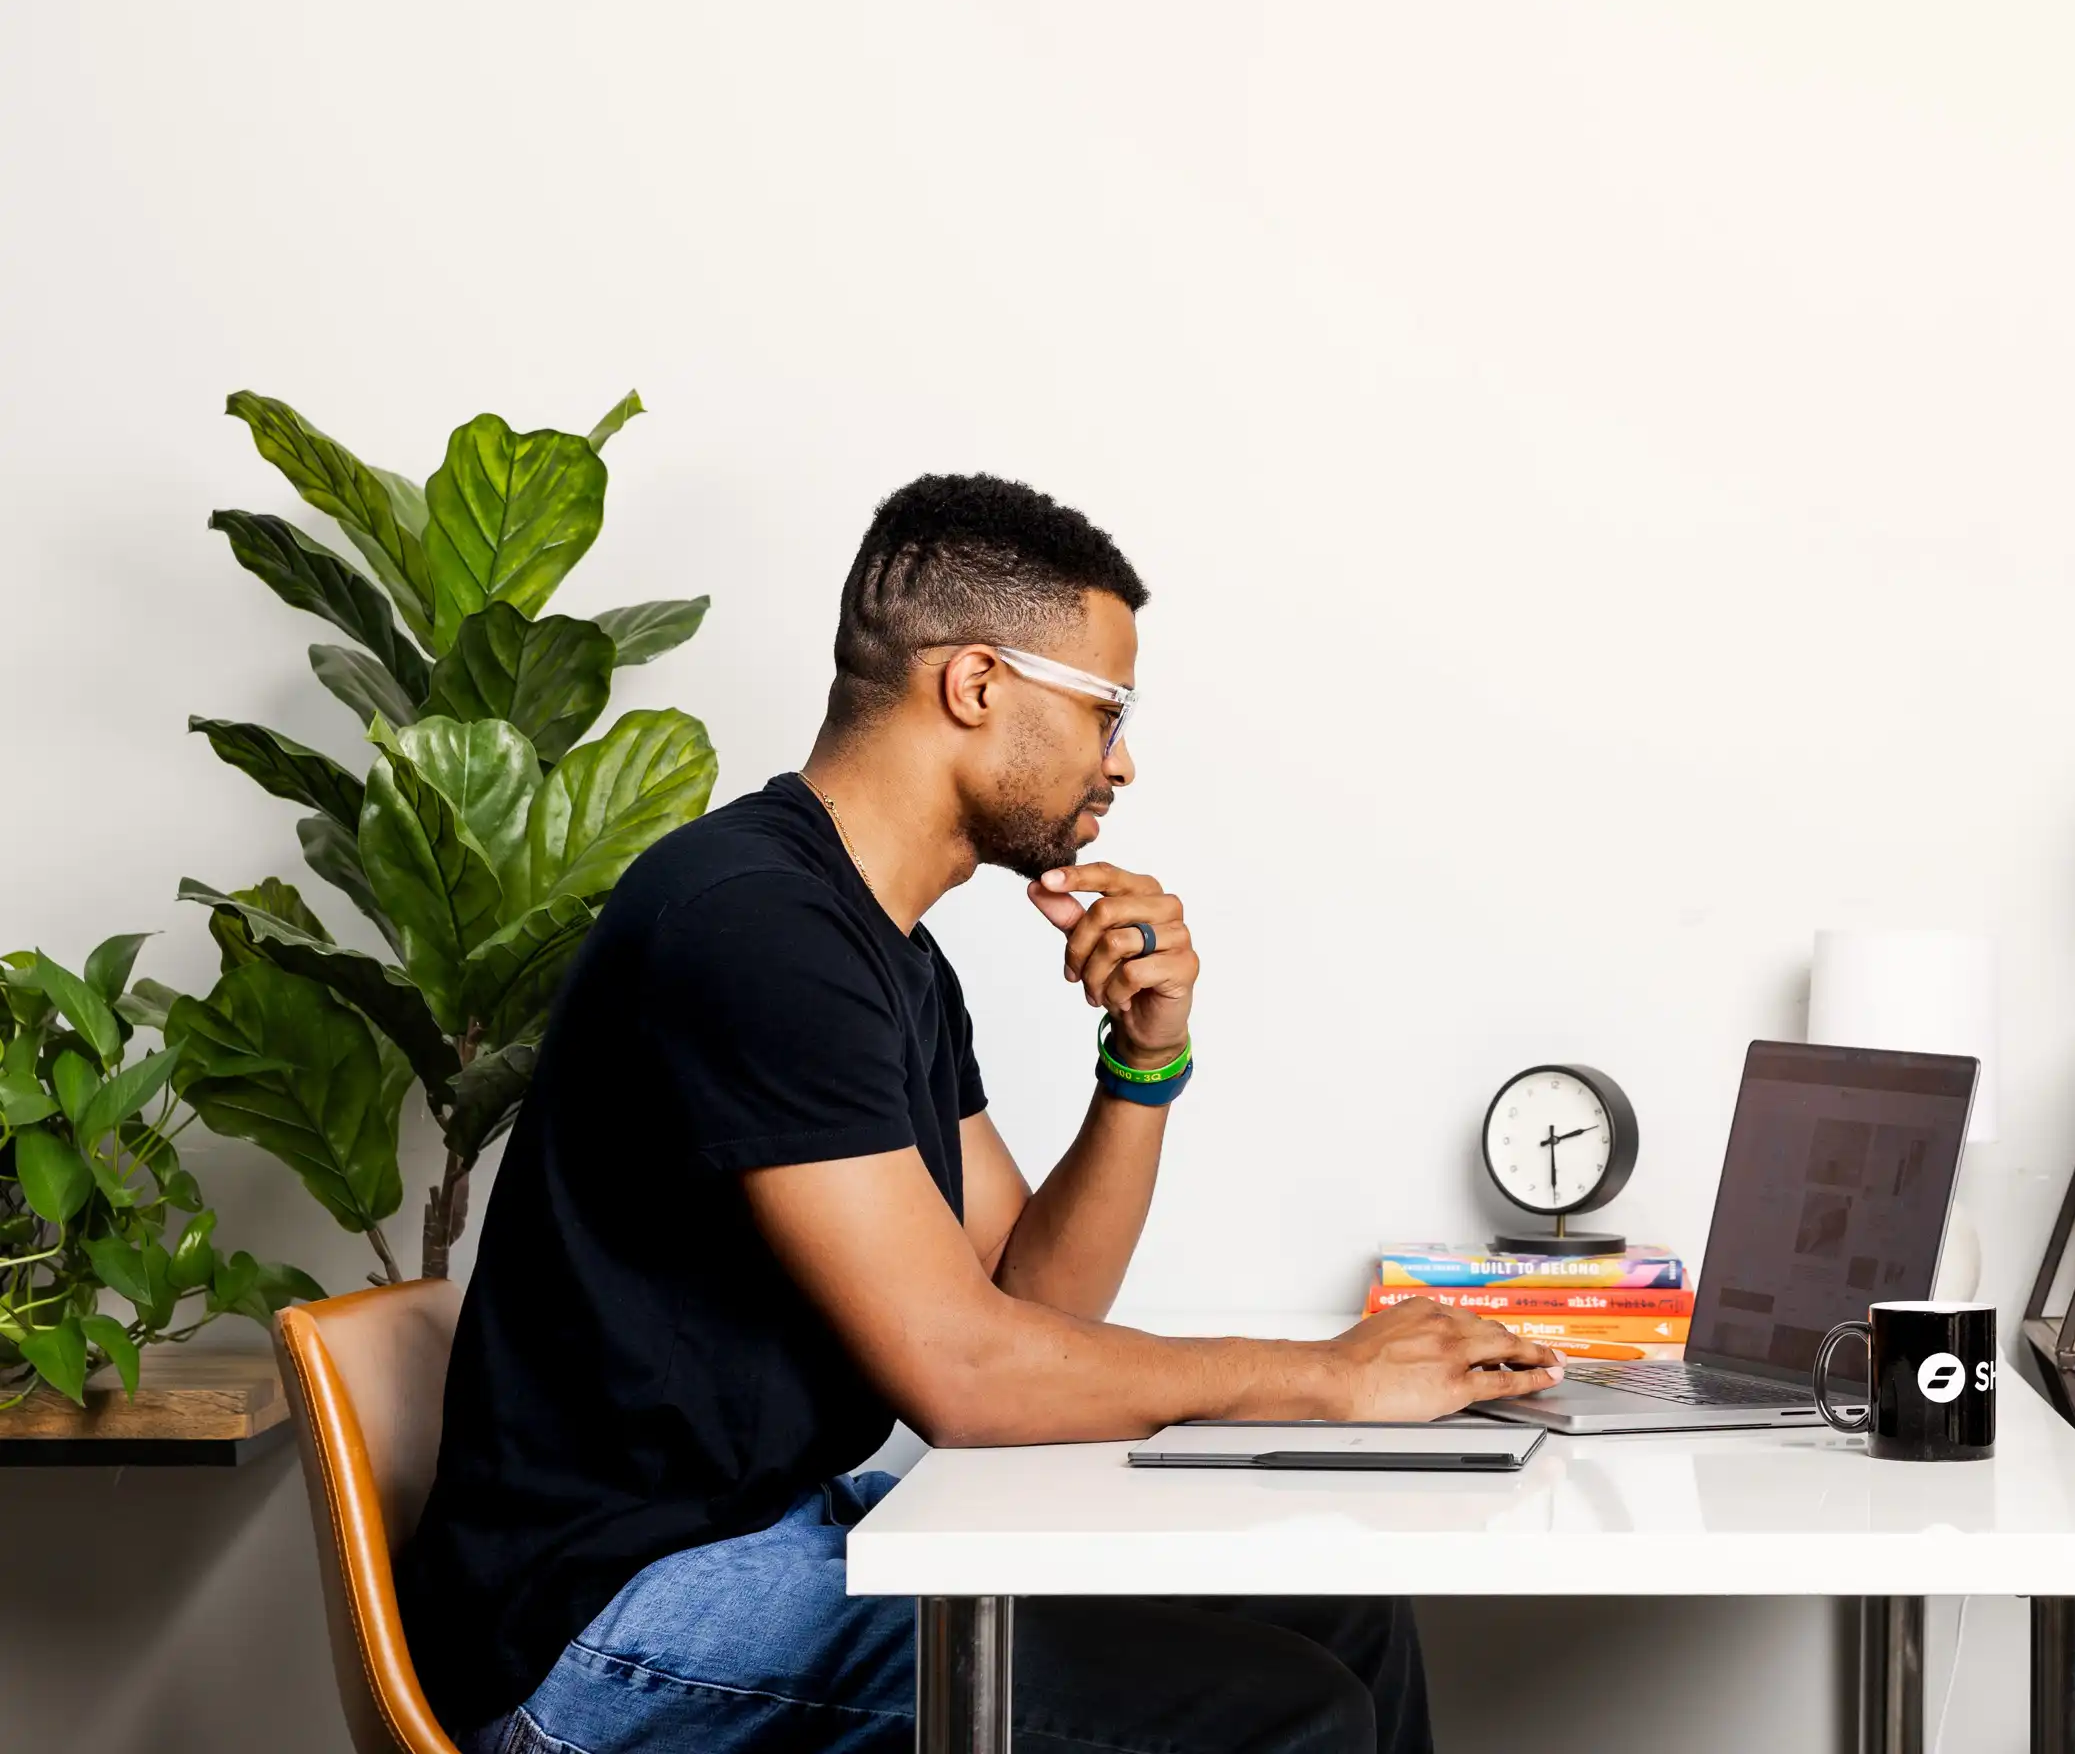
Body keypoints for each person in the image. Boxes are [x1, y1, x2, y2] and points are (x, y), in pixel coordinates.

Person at [397, 474, 1564, 1754]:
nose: (1121, 759)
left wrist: (1143, 1062)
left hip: (782, 1530)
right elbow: (962, 1371)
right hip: (601, 1631)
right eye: (1107, 708)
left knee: (1339, 1619)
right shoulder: (748, 922)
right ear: (975, 684)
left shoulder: (885, 950)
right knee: (1284, 1715)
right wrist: (1328, 1380)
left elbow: (1032, 1304)